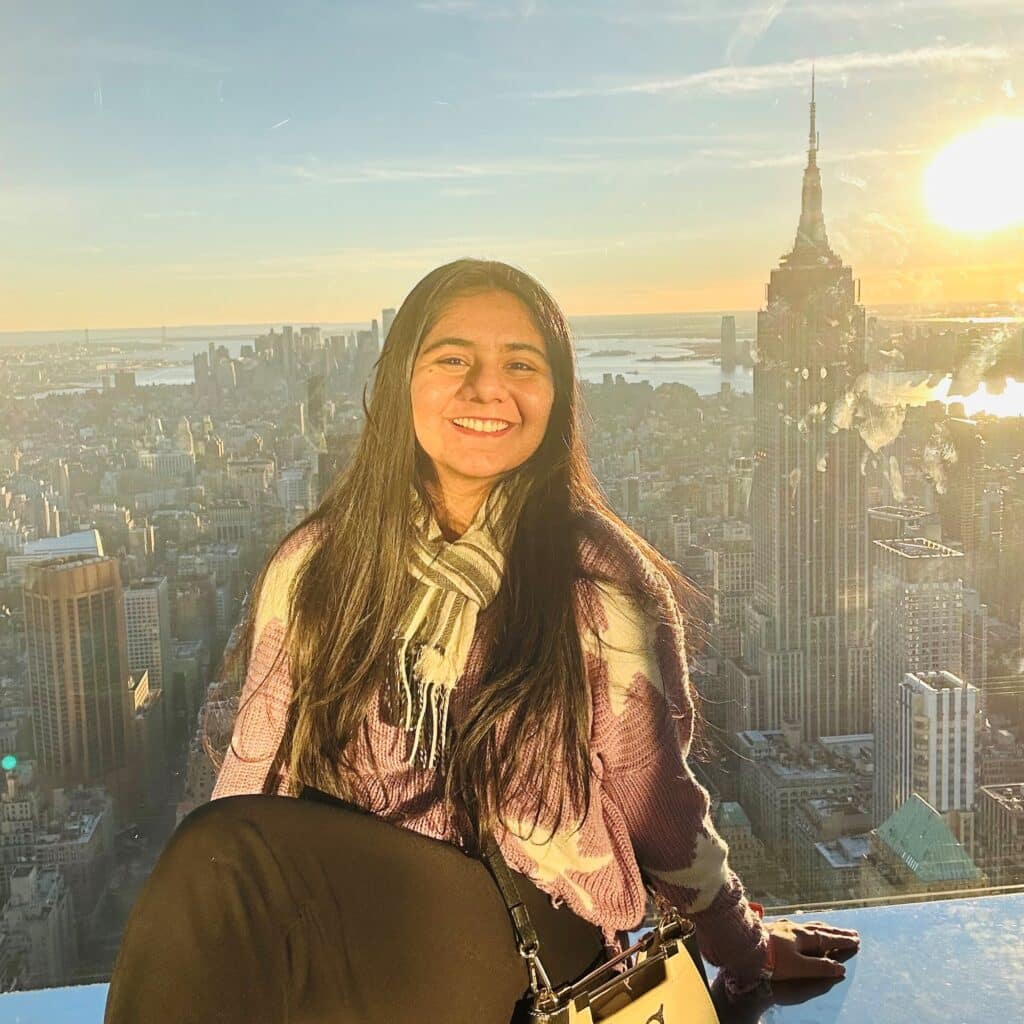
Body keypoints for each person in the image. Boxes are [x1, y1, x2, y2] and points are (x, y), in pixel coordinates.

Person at [104, 258, 859, 1024]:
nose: (485, 388)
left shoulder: (590, 575)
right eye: (453, 359)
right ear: (404, 381)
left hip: (530, 938)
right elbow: (255, 772)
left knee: (217, 861)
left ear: (556, 395)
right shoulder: (320, 563)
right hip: (365, 920)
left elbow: (655, 802)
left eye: (520, 364)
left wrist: (742, 943)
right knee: (215, 858)